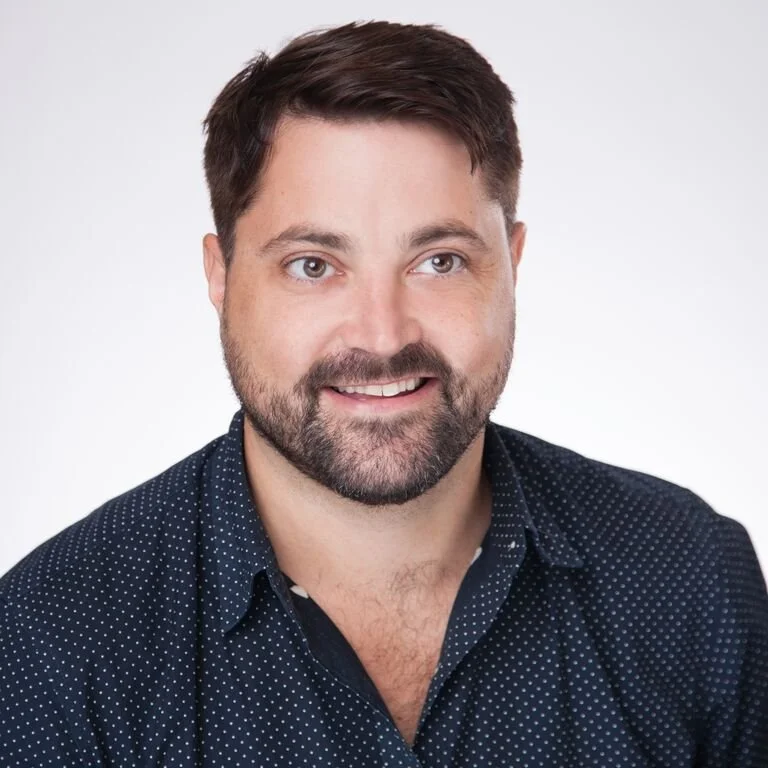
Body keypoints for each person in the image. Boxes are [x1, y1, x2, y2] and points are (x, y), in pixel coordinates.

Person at [1, 19, 766, 767]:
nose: (381, 334)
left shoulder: (691, 579)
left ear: (512, 264)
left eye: (439, 261)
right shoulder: (53, 643)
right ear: (221, 276)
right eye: (312, 265)